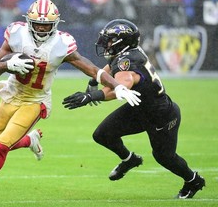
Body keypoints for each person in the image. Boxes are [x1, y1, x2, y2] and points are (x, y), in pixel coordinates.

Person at [0, 0, 141, 205]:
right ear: (29, 21)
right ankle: (30, 140)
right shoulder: (16, 33)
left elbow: (92, 69)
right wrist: (8, 65)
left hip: (35, 101)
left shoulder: (61, 44)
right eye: (37, 24)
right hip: (11, 94)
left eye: (46, 25)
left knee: (0, 149)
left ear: (55, 24)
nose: (40, 28)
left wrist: (117, 86)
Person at [62, 19, 205, 199]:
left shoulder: (128, 62)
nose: (105, 44)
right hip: (139, 110)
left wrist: (91, 96)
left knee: (164, 157)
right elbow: (112, 65)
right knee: (102, 134)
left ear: (121, 42)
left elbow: (121, 87)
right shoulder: (127, 53)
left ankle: (193, 181)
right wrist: (93, 80)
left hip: (160, 116)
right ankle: (130, 159)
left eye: (110, 40)